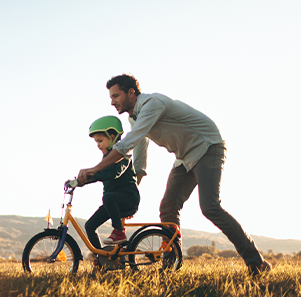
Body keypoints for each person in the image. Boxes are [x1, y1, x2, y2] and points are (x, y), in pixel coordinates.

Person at [77, 74, 271, 274]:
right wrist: (138, 176)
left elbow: (128, 143)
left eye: (116, 96)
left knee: (210, 207)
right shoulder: (134, 117)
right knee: (168, 208)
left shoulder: (152, 104)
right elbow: (140, 144)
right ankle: (170, 265)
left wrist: (95, 169)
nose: (112, 102)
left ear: (131, 93)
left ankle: (256, 262)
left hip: (207, 146)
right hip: (184, 157)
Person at [71, 115, 140, 248]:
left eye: (100, 141)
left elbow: (114, 173)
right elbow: (101, 175)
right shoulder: (106, 158)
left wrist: (93, 173)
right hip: (112, 201)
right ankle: (100, 258)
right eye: (96, 142)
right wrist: (79, 182)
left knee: (107, 197)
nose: (98, 145)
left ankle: (119, 232)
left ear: (113, 137)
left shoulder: (123, 156)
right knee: (90, 226)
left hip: (128, 198)